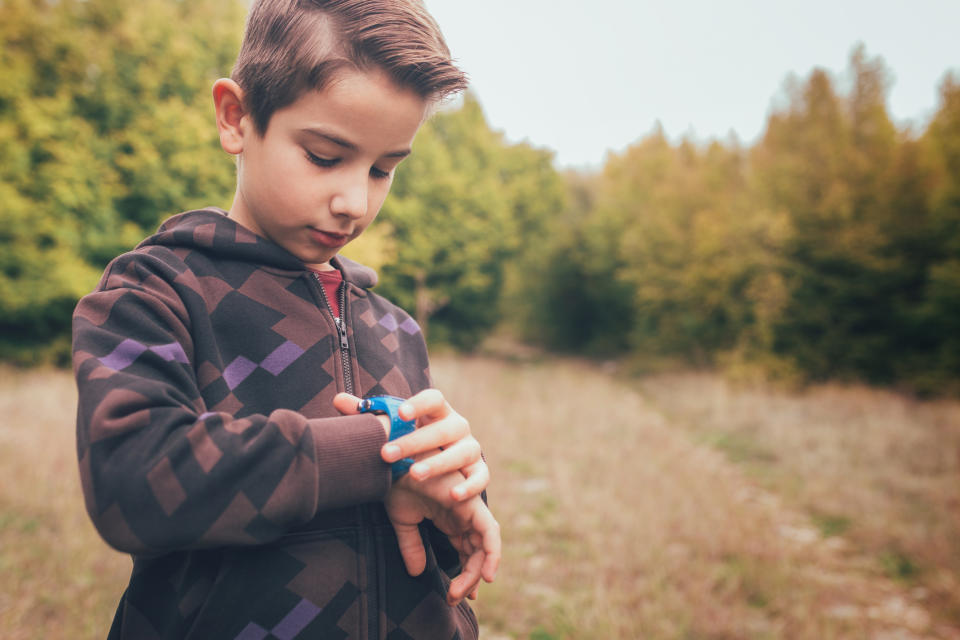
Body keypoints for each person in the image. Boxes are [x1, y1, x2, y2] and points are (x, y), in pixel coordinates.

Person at [71, 1, 500, 638]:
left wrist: (451, 481)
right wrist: (385, 452)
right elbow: (132, 484)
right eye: (326, 157)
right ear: (236, 117)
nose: (355, 202)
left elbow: (401, 505)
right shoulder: (156, 291)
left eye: (384, 169)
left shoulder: (394, 326)